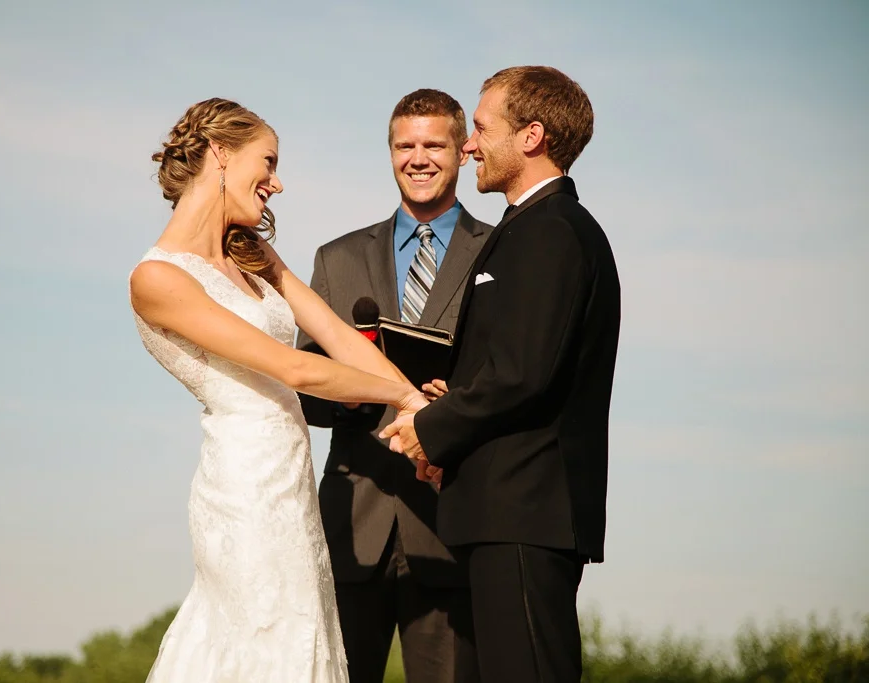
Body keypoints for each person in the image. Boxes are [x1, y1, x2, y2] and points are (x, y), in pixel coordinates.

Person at [129, 97, 428, 683]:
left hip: (291, 482)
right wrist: (406, 402)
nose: (277, 182)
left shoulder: (254, 254)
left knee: (302, 632)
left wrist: (420, 410)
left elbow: (339, 337)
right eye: (267, 162)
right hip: (242, 487)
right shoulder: (157, 278)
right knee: (258, 634)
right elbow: (296, 370)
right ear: (219, 153)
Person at [381, 66, 622, 682]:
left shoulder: (552, 231)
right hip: (501, 510)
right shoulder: (530, 228)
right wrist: (454, 397)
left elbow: (522, 374)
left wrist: (432, 428)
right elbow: (516, 364)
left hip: (525, 509)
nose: (468, 144)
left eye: (482, 127)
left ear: (532, 135)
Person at [296, 89, 490, 683]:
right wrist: (348, 393)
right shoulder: (337, 257)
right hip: (354, 520)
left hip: (450, 517)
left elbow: (511, 375)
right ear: (389, 154)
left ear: (462, 151)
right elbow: (303, 386)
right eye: (405, 145)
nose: (419, 157)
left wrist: (452, 407)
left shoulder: (501, 250)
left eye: (434, 144)